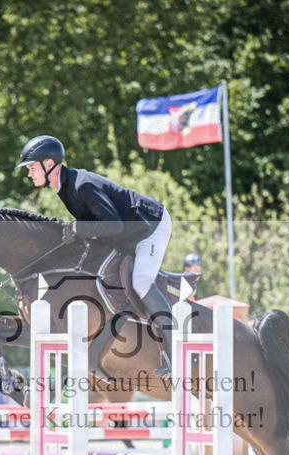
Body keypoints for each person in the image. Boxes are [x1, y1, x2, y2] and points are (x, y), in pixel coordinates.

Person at [16, 134, 174, 379]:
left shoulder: (82, 185)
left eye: (32, 167)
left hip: (150, 227)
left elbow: (113, 225)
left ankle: (174, 351)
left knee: (141, 283)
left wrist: (77, 228)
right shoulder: (65, 187)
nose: (29, 174)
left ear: (49, 164)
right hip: (128, 234)